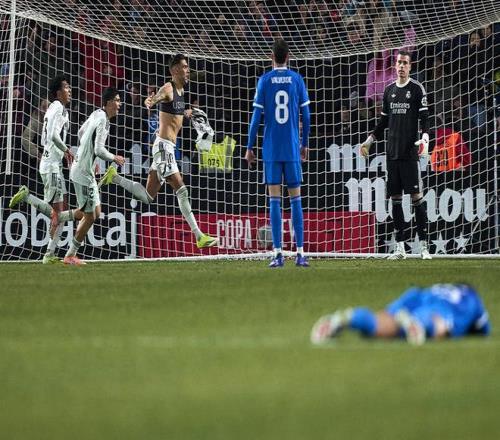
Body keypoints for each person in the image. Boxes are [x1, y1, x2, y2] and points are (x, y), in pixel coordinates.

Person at [99, 54, 217, 249]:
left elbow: (172, 115)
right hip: (163, 147)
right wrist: (150, 100)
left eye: (188, 67)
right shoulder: (169, 87)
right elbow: (158, 97)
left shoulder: (181, 91)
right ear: (174, 70)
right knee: (182, 190)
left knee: (148, 196)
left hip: (164, 147)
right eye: (184, 67)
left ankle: (115, 178)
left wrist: (187, 112)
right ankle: (199, 236)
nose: (187, 70)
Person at [245, 38, 311, 267]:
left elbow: (256, 119)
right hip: (291, 147)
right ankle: (300, 254)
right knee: (296, 200)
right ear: (288, 57)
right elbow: (307, 116)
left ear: (271, 57)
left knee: (274, 200)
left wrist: (249, 147)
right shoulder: (296, 79)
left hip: (271, 149)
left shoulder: (264, 80)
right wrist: (304, 143)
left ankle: (278, 254)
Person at [360, 50, 431, 260]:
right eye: (399, 62)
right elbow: (383, 122)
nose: (401, 66)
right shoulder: (389, 90)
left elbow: (425, 119)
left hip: (409, 154)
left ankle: (424, 247)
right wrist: (369, 140)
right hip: (392, 154)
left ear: (410, 66)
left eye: (405, 63)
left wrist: (425, 138)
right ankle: (400, 247)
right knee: (396, 200)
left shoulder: (417, 89)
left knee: (417, 198)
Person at [9, 75, 84, 264]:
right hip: (51, 165)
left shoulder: (57, 109)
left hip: (53, 164)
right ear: (58, 92)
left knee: (60, 211)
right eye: (66, 87)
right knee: (57, 214)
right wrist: (66, 150)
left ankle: (50, 253)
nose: (70, 90)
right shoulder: (57, 107)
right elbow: (51, 135)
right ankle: (27, 197)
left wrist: (61, 152)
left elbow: (49, 137)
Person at [311, 283, 491, 345]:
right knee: (439, 326)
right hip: (439, 309)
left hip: (418, 294)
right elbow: (484, 329)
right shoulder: (472, 298)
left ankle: (346, 317)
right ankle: (415, 323)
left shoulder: (439, 288)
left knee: (380, 322)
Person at [63, 87, 125, 265]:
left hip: (83, 168)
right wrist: (114, 157)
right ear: (109, 102)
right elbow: (98, 149)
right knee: (89, 216)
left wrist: (90, 157)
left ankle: (59, 217)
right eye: (117, 100)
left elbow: (81, 132)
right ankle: (70, 255)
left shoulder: (96, 113)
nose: (120, 104)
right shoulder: (104, 120)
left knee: (95, 212)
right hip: (83, 172)